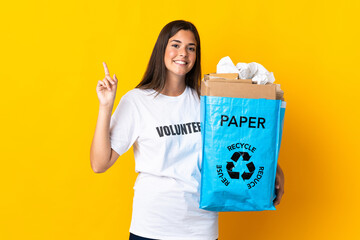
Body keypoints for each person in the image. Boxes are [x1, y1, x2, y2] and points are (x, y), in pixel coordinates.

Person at [90, 20, 284, 240]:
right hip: (152, 226)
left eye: (191, 48)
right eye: (176, 45)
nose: (183, 53)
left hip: (200, 227)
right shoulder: (137, 101)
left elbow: (236, 141)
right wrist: (105, 106)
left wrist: (273, 167)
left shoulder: (208, 101)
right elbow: (99, 163)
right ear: (161, 49)